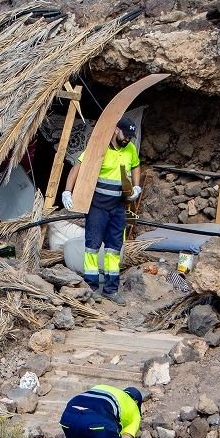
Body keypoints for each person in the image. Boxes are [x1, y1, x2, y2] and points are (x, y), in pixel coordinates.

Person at [62, 118, 141, 305]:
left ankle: (111, 290)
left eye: (131, 137)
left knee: (114, 249)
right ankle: (91, 288)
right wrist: (67, 191)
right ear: (116, 130)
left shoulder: (129, 149)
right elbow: (77, 168)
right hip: (97, 206)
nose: (128, 140)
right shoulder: (100, 147)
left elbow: (136, 165)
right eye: (125, 135)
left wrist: (137, 188)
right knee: (92, 247)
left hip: (118, 207)